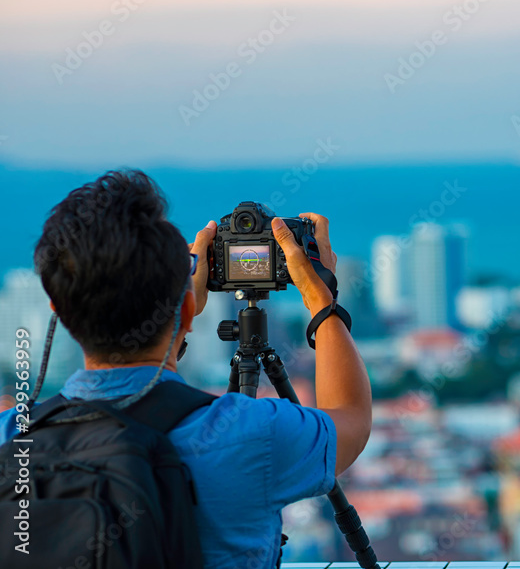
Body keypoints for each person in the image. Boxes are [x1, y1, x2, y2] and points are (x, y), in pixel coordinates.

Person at [0, 170, 373, 569]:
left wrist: (179, 313)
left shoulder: (11, 437)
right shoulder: (251, 433)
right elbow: (351, 419)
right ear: (188, 310)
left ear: (58, 311)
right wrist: (321, 298)